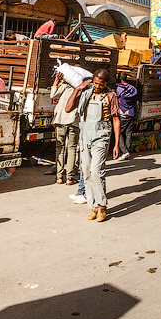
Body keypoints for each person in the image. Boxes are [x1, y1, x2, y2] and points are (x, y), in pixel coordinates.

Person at [66, 69, 121, 222]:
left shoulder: (111, 96)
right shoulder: (85, 93)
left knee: (97, 170)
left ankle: (102, 205)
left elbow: (116, 120)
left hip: (101, 137)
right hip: (85, 137)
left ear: (106, 84)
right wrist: (77, 89)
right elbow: (68, 108)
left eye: (100, 84)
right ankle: (93, 206)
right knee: (86, 171)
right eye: (95, 83)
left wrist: (116, 145)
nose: (97, 86)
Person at [51, 71, 80, 186]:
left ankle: (59, 177)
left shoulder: (65, 86)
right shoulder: (81, 89)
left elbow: (52, 95)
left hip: (60, 120)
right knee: (71, 148)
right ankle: (69, 177)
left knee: (60, 148)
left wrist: (56, 80)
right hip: (73, 121)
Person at [115, 75, 138, 161]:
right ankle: (128, 150)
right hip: (131, 112)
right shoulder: (133, 89)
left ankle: (124, 152)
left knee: (119, 133)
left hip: (122, 113)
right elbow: (135, 100)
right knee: (129, 132)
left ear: (120, 78)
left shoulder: (119, 88)